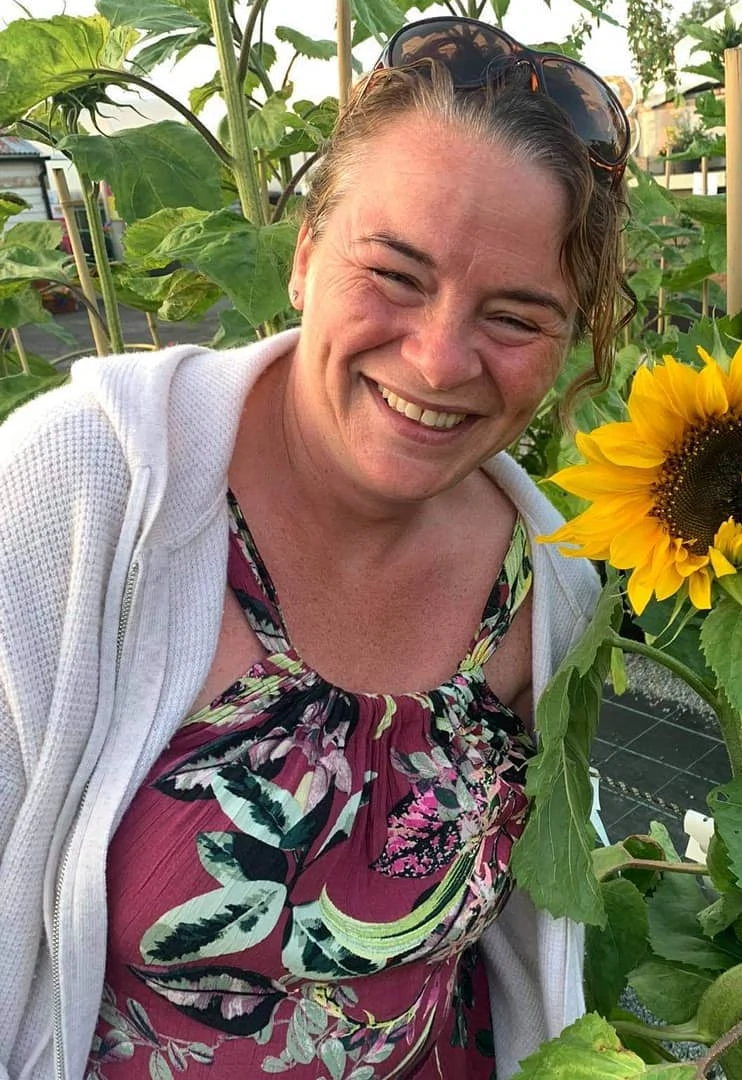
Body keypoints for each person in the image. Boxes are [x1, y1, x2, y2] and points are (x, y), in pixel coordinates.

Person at [0, 18, 630, 1080]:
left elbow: (536, 939)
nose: (439, 360)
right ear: (303, 256)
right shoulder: (85, 495)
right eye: (395, 274)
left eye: (516, 318)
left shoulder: (549, 581)